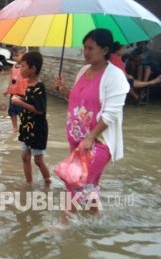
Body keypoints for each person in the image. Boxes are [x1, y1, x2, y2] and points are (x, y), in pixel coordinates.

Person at [55, 29, 130, 214]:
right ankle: (95, 222)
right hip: (78, 141)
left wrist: (90, 137)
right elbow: (79, 102)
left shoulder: (115, 76)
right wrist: (65, 90)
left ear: (105, 50)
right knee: (89, 184)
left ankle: (64, 225)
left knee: (74, 181)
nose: (85, 52)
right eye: (84, 48)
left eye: (90, 48)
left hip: (98, 142)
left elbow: (111, 114)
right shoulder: (83, 71)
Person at [10, 51, 51, 185]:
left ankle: (48, 182)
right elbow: (31, 102)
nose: (20, 69)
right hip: (27, 128)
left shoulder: (40, 87)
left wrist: (19, 102)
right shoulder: (29, 85)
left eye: (23, 66)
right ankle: (29, 184)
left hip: (37, 130)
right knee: (25, 157)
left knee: (38, 160)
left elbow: (39, 110)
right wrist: (21, 98)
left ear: (33, 69)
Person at [3, 48, 28, 133]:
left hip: (22, 94)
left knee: (22, 112)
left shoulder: (26, 67)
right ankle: (15, 127)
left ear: (24, 55)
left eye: (17, 55)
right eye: (13, 56)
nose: (14, 58)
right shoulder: (14, 66)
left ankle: (24, 126)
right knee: (12, 111)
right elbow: (11, 79)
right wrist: (7, 90)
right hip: (13, 94)